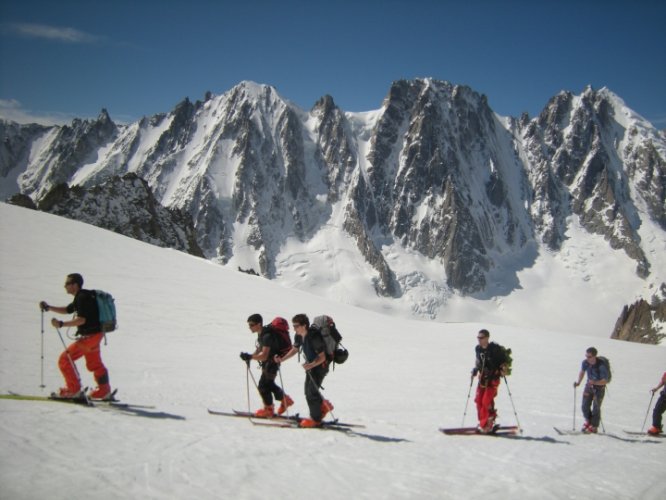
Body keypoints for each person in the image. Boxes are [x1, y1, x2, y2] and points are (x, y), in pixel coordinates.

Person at [38, 273, 112, 399]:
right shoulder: (83, 296)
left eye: (67, 283)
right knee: (94, 364)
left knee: (65, 360)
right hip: (96, 335)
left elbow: (81, 320)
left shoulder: (82, 297)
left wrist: (61, 324)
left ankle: (73, 390)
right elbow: (68, 309)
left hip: (89, 337)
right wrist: (49, 308)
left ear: (75, 285)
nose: (65, 286)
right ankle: (104, 391)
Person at [277, 314, 334, 428]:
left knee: (311, 392)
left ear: (304, 326)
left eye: (296, 326)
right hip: (311, 366)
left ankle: (315, 419)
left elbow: (322, 357)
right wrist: (282, 359)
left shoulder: (314, 336)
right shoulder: (299, 336)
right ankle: (323, 406)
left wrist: (312, 364)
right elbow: (295, 349)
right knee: (309, 391)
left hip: (320, 366)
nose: (294, 328)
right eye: (293, 326)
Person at [240, 314, 293, 418]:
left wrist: (251, 357)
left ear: (259, 324)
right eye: (249, 325)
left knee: (263, 386)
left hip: (271, 363)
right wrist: (250, 356)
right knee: (268, 384)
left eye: (251, 325)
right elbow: (260, 348)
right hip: (270, 363)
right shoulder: (262, 333)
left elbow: (264, 356)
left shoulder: (267, 336)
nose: (250, 327)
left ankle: (269, 409)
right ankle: (285, 400)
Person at [472, 329, 508, 433]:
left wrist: (503, 368)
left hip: (493, 379)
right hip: (482, 379)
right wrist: (475, 370)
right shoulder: (478, 349)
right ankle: (483, 423)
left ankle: (487, 425)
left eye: (481, 338)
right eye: (478, 338)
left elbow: (503, 362)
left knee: (485, 402)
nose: (479, 340)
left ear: (487, 338)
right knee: (478, 400)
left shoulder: (495, 349)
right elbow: (478, 362)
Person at [573, 347, 608, 433]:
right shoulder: (585, 363)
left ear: (594, 356)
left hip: (599, 389)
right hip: (589, 387)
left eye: (589, 356)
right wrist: (578, 382)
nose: (587, 358)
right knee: (584, 406)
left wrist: (595, 382)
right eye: (586, 356)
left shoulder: (601, 365)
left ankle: (594, 426)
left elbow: (605, 381)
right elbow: (582, 372)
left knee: (596, 408)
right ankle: (588, 421)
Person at [647, 372, 666, 436]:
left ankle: (657, 427)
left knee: (657, 411)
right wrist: (656, 388)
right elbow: (663, 381)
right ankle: (657, 427)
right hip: (664, 396)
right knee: (657, 411)